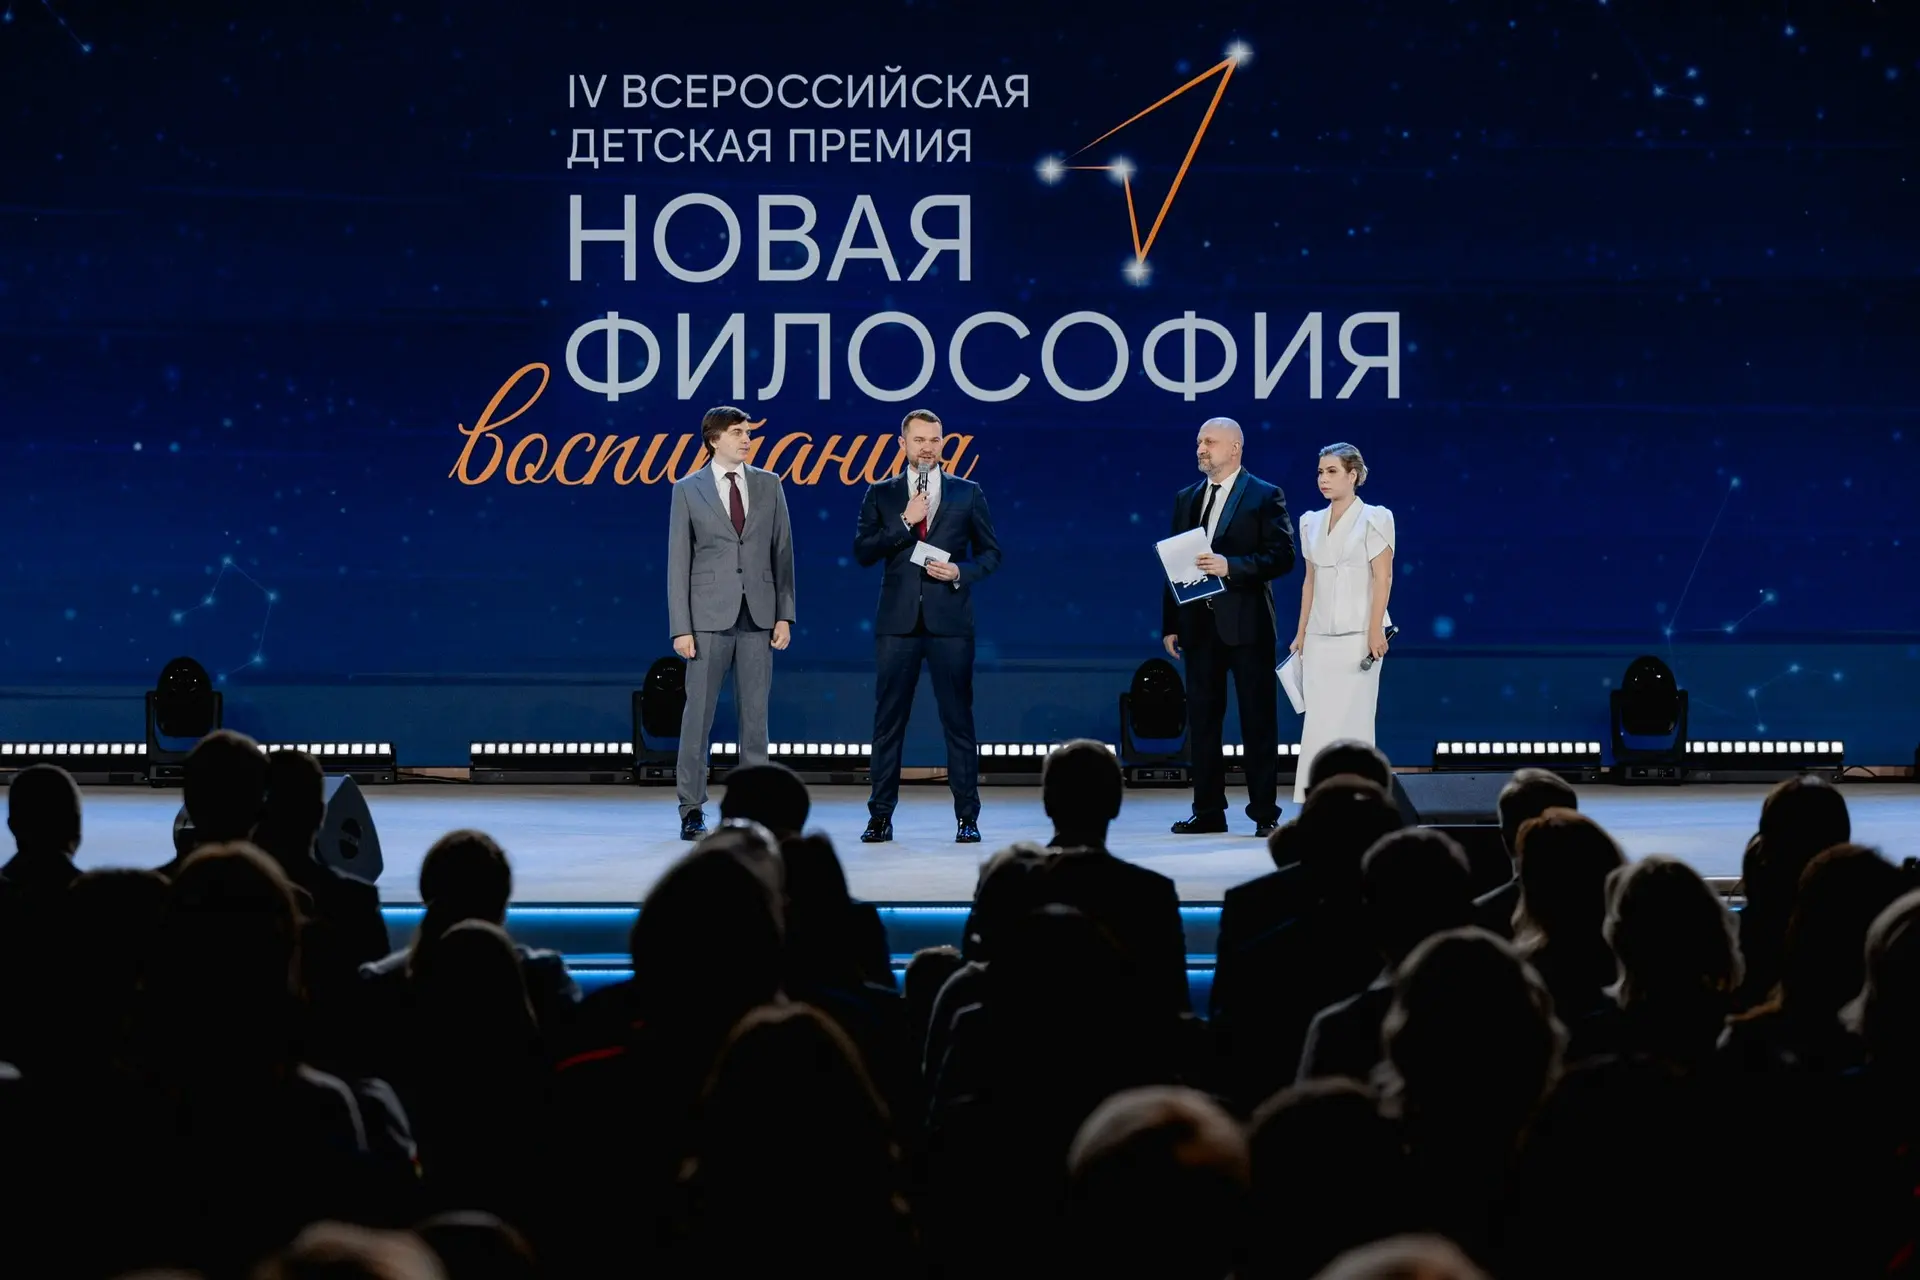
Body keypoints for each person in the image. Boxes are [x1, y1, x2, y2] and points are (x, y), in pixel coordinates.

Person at [853, 408, 1003, 845]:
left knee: (959, 721)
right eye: (919, 440)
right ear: (903, 443)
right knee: (888, 723)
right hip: (897, 624)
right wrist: (904, 522)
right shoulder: (881, 493)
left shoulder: (967, 492)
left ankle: (967, 817)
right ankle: (880, 817)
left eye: (934, 440)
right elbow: (863, 551)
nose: (927, 447)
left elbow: (991, 554)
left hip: (950, 624)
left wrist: (960, 572)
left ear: (942, 443)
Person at [1162, 416, 1297, 837]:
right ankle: (1208, 811)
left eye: (1210, 442)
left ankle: (1264, 813)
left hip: (1248, 627)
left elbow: (1283, 556)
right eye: (1199, 442)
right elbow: (1174, 562)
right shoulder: (1187, 497)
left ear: (1235, 447)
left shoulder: (1264, 495)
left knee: (1258, 721)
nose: (1201, 449)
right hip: (1198, 627)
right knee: (1203, 722)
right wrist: (1171, 622)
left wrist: (1230, 566)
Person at [667, 405, 797, 841]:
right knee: (697, 717)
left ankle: (754, 810)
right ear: (714, 439)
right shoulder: (688, 489)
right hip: (706, 619)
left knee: (756, 719)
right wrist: (681, 627)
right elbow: (678, 562)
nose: (746, 439)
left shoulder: (769, 484)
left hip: (759, 617)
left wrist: (784, 615)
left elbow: (783, 555)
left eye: (748, 433)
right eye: (738, 432)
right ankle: (691, 808)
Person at [1290, 443, 1395, 804]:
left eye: (1332, 471)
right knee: (1318, 723)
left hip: (1358, 638)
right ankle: (1315, 800)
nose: (1323, 478)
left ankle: (1360, 799)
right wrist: (1301, 633)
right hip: (1319, 637)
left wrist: (1375, 629)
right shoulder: (1310, 522)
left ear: (1353, 475)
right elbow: (1310, 581)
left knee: (1355, 721)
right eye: (1320, 472)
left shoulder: (1376, 518)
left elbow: (1383, 577)